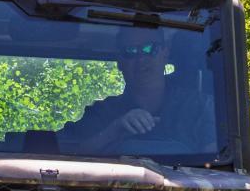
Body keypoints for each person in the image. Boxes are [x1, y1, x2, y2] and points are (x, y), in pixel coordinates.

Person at [60, 29, 202, 153]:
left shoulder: (199, 108)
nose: (141, 58)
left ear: (165, 53)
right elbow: (69, 153)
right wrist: (115, 130)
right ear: (119, 63)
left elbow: (215, 166)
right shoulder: (101, 112)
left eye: (150, 48)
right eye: (130, 51)